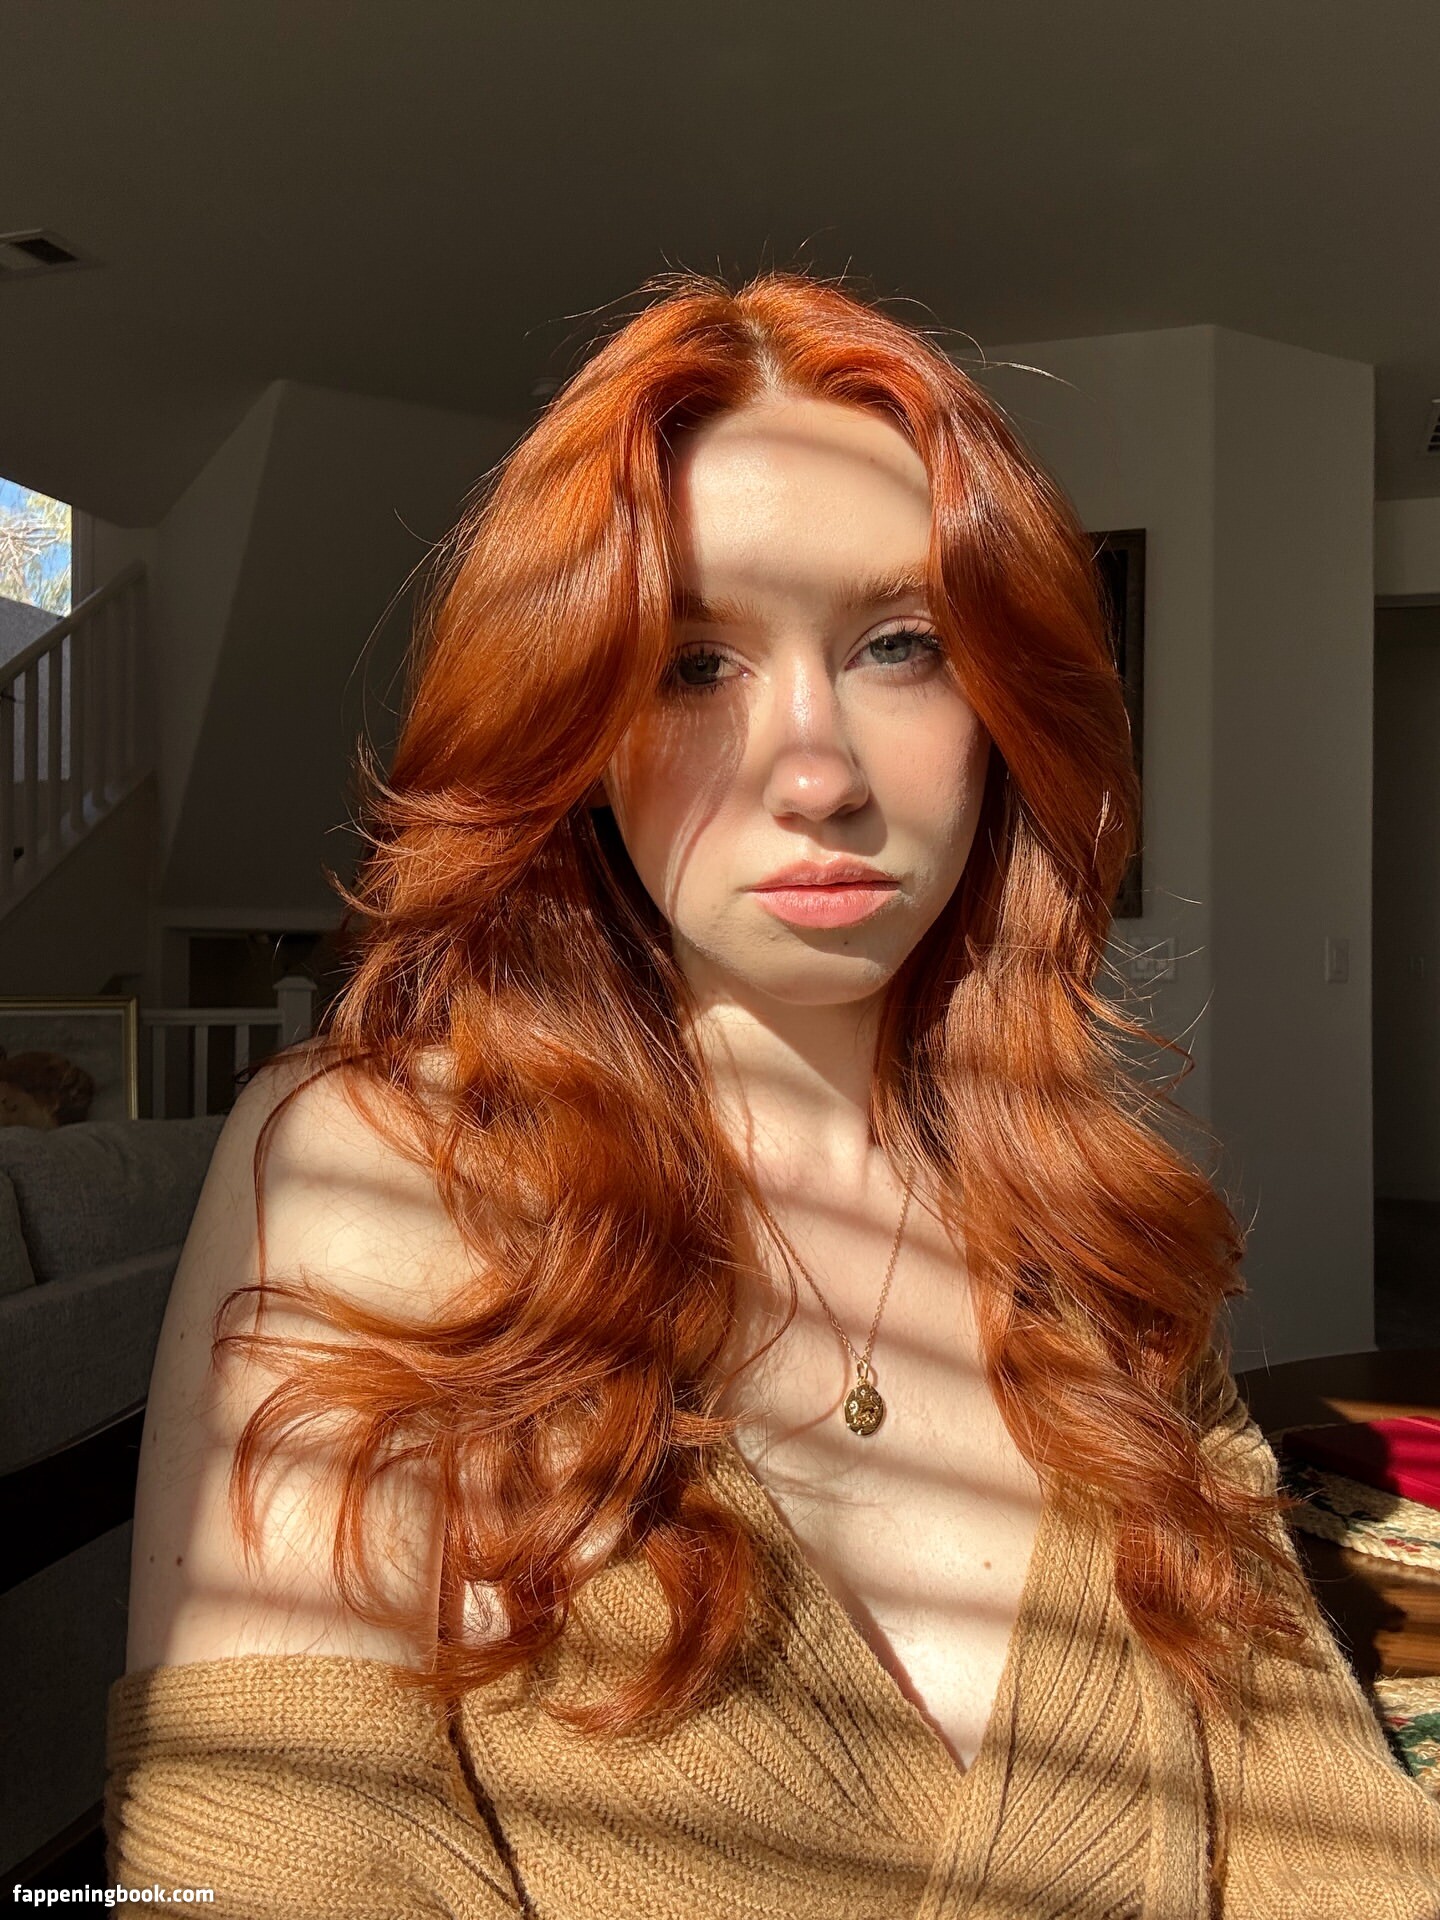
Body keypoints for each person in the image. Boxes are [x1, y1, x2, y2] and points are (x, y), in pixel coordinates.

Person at [106, 272, 1440, 1917]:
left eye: (901, 647)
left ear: (1004, 707)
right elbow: (271, 1867)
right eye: (691, 664)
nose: (818, 773)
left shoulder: (1091, 1221)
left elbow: (1331, 1836)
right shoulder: (381, 1172)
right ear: (574, 726)